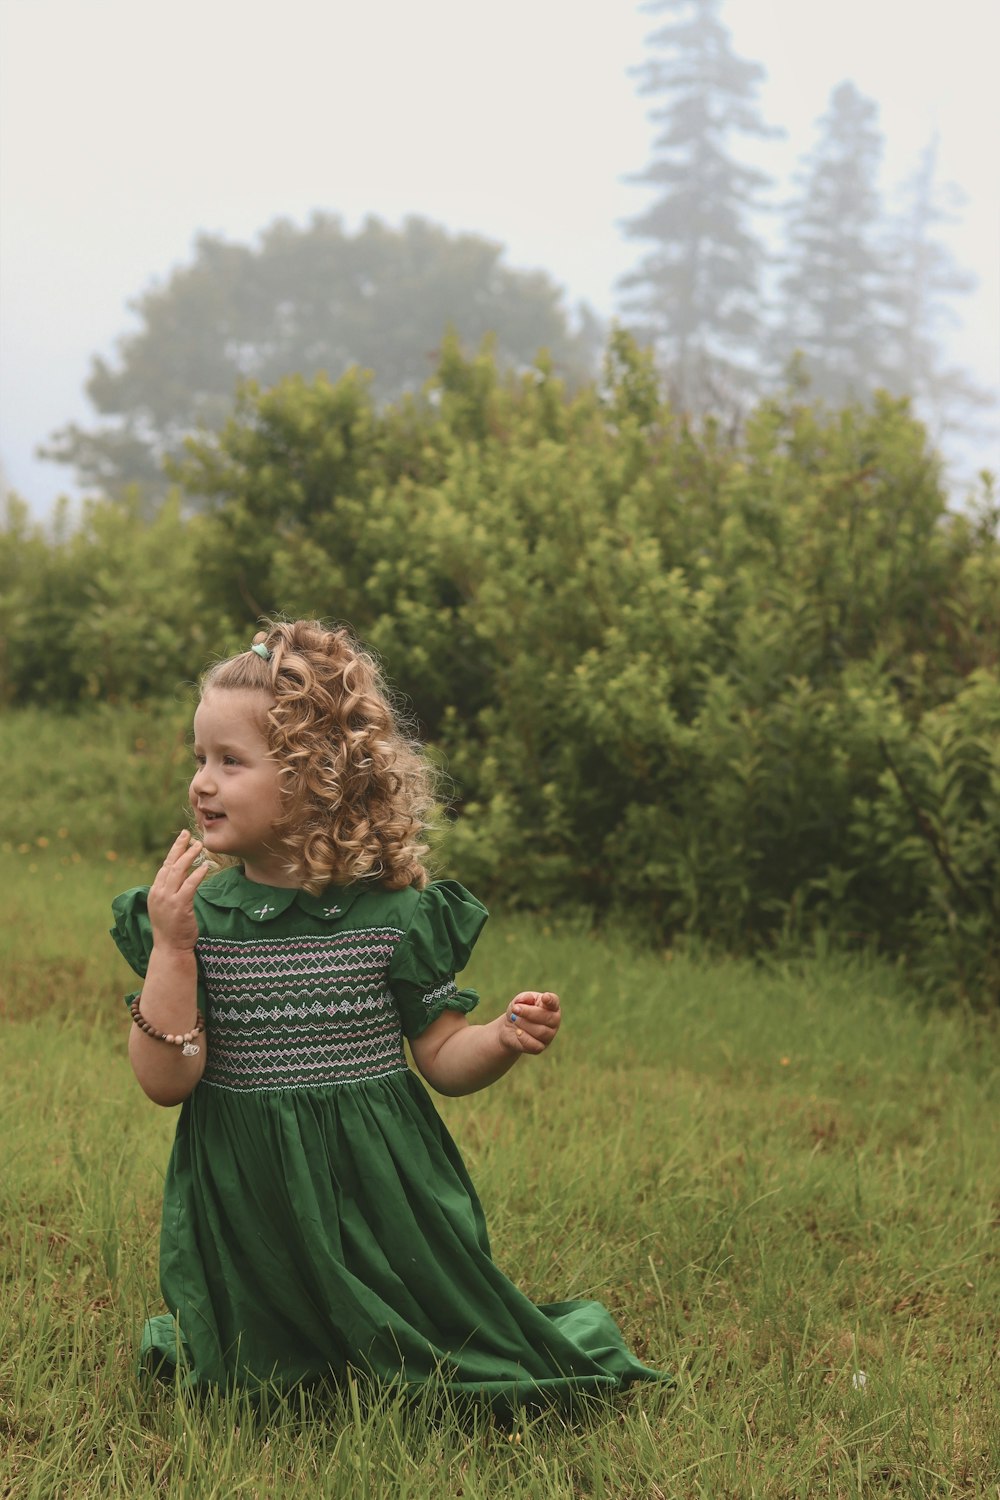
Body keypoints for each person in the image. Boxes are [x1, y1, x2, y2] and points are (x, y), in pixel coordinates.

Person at [111, 619, 664, 1409]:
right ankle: (286, 1337)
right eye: (199, 758)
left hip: (375, 1196)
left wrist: (501, 1037)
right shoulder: (197, 919)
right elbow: (166, 1082)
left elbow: (440, 1058)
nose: (202, 781)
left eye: (231, 762)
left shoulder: (393, 917)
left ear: (316, 777)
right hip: (249, 1200)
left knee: (428, 1359)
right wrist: (170, 949)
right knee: (258, 1383)